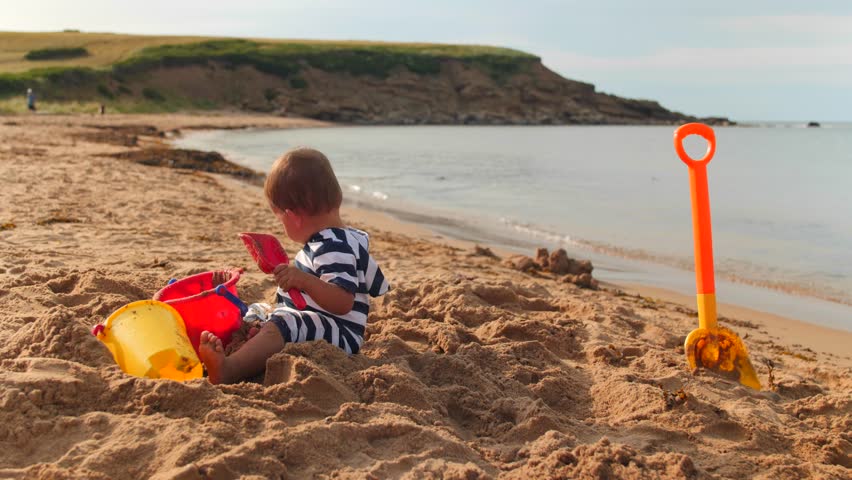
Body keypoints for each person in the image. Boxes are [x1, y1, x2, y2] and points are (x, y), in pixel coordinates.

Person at [199, 147, 390, 384]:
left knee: (284, 323)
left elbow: (343, 302)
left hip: (341, 334)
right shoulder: (346, 239)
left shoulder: (331, 247)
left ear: (292, 216)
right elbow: (376, 283)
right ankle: (250, 340)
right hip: (319, 320)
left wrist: (303, 279)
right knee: (260, 311)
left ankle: (229, 369)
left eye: (279, 219)